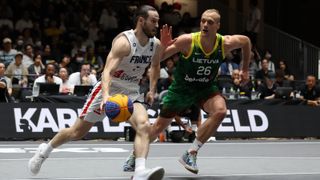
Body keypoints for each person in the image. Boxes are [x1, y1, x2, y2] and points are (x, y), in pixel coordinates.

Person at [28, 5, 167, 180]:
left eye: (158, 21)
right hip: (108, 88)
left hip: (132, 91)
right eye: (153, 21)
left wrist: (152, 89)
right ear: (141, 20)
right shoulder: (124, 42)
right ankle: (44, 151)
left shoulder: (155, 45)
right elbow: (107, 71)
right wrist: (107, 96)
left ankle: (139, 172)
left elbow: (155, 66)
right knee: (77, 132)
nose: (157, 25)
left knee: (144, 126)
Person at [124, 9, 251, 174]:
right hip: (181, 89)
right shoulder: (188, 41)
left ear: (218, 26)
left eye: (210, 22)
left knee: (221, 111)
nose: (205, 24)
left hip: (206, 88)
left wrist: (245, 69)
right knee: (157, 129)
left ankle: (191, 152)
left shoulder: (225, 43)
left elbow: (246, 41)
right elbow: (157, 59)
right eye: (203, 21)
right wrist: (163, 45)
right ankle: (135, 155)